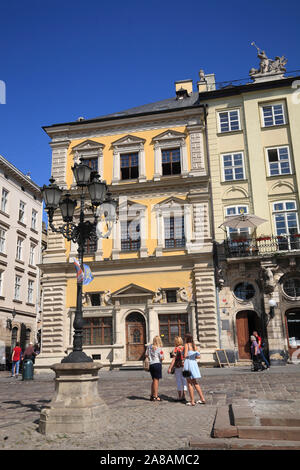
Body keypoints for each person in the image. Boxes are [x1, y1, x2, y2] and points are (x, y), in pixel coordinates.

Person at [183, 334, 206, 406]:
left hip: (188, 364)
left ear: (187, 338)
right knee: (195, 382)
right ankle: (202, 399)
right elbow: (198, 356)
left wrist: (186, 353)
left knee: (189, 382)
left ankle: (192, 401)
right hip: (194, 364)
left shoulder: (186, 345)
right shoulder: (194, 346)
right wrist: (193, 354)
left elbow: (185, 355)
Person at [168, 336, 187, 401]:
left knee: (179, 381)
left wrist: (170, 368)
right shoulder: (184, 348)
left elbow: (174, 359)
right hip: (184, 366)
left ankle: (179, 397)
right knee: (184, 381)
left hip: (178, 366)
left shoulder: (176, 349)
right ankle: (184, 396)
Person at [145, 335, 164, 402]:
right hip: (157, 364)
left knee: (153, 380)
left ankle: (152, 395)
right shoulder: (159, 348)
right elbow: (162, 358)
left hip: (151, 364)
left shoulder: (149, 347)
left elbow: (146, 355)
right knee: (156, 381)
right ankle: (155, 396)